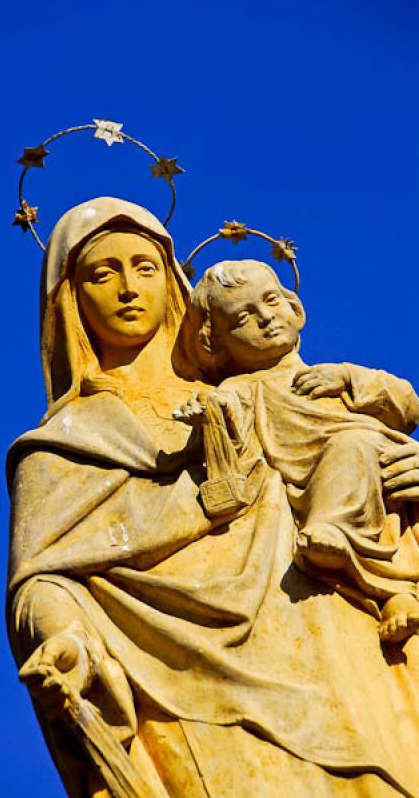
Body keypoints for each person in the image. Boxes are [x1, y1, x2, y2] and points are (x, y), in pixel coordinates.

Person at [7, 199, 419, 798]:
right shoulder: (63, 446)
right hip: (181, 680)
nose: (127, 289)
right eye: (102, 273)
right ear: (70, 299)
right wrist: (66, 640)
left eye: (145, 268)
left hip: (338, 647)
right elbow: (42, 579)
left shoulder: (252, 392)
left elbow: (348, 459)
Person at [177, 258, 419, 643]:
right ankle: (394, 594)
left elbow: (406, 405)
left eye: (271, 301)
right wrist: (205, 415)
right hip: (312, 483)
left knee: (356, 454)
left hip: (376, 460)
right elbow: (229, 434)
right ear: (217, 345)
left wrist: (347, 377)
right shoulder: (239, 388)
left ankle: (397, 587)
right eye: (242, 319)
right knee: (342, 489)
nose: (264, 318)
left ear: (295, 308)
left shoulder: (333, 374)